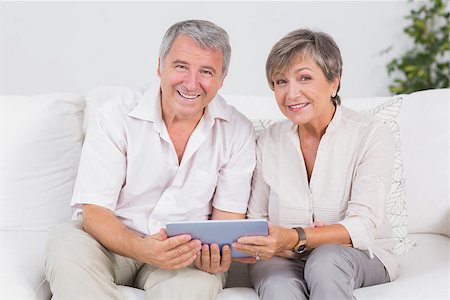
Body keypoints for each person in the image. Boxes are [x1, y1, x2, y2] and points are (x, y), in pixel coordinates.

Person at [45, 20, 255, 300]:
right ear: (160, 66)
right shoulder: (116, 115)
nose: (191, 83)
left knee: (198, 285)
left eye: (206, 71)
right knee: (66, 242)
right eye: (181, 66)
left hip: (184, 253)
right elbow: (95, 212)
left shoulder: (237, 130)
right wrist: (143, 249)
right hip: (110, 241)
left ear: (221, 80)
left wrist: (217, 256)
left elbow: (226, 224)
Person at [233, 28, 399, 300]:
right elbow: (256, 220)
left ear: (334, 82)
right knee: (275, 284)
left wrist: (297, 237)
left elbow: (363, 226)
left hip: (358, 255)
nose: (291, 93)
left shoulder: (370, 134)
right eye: (280, 82)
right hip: (283, 258)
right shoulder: (269, 141)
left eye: (305, 78)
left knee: (324, 261)